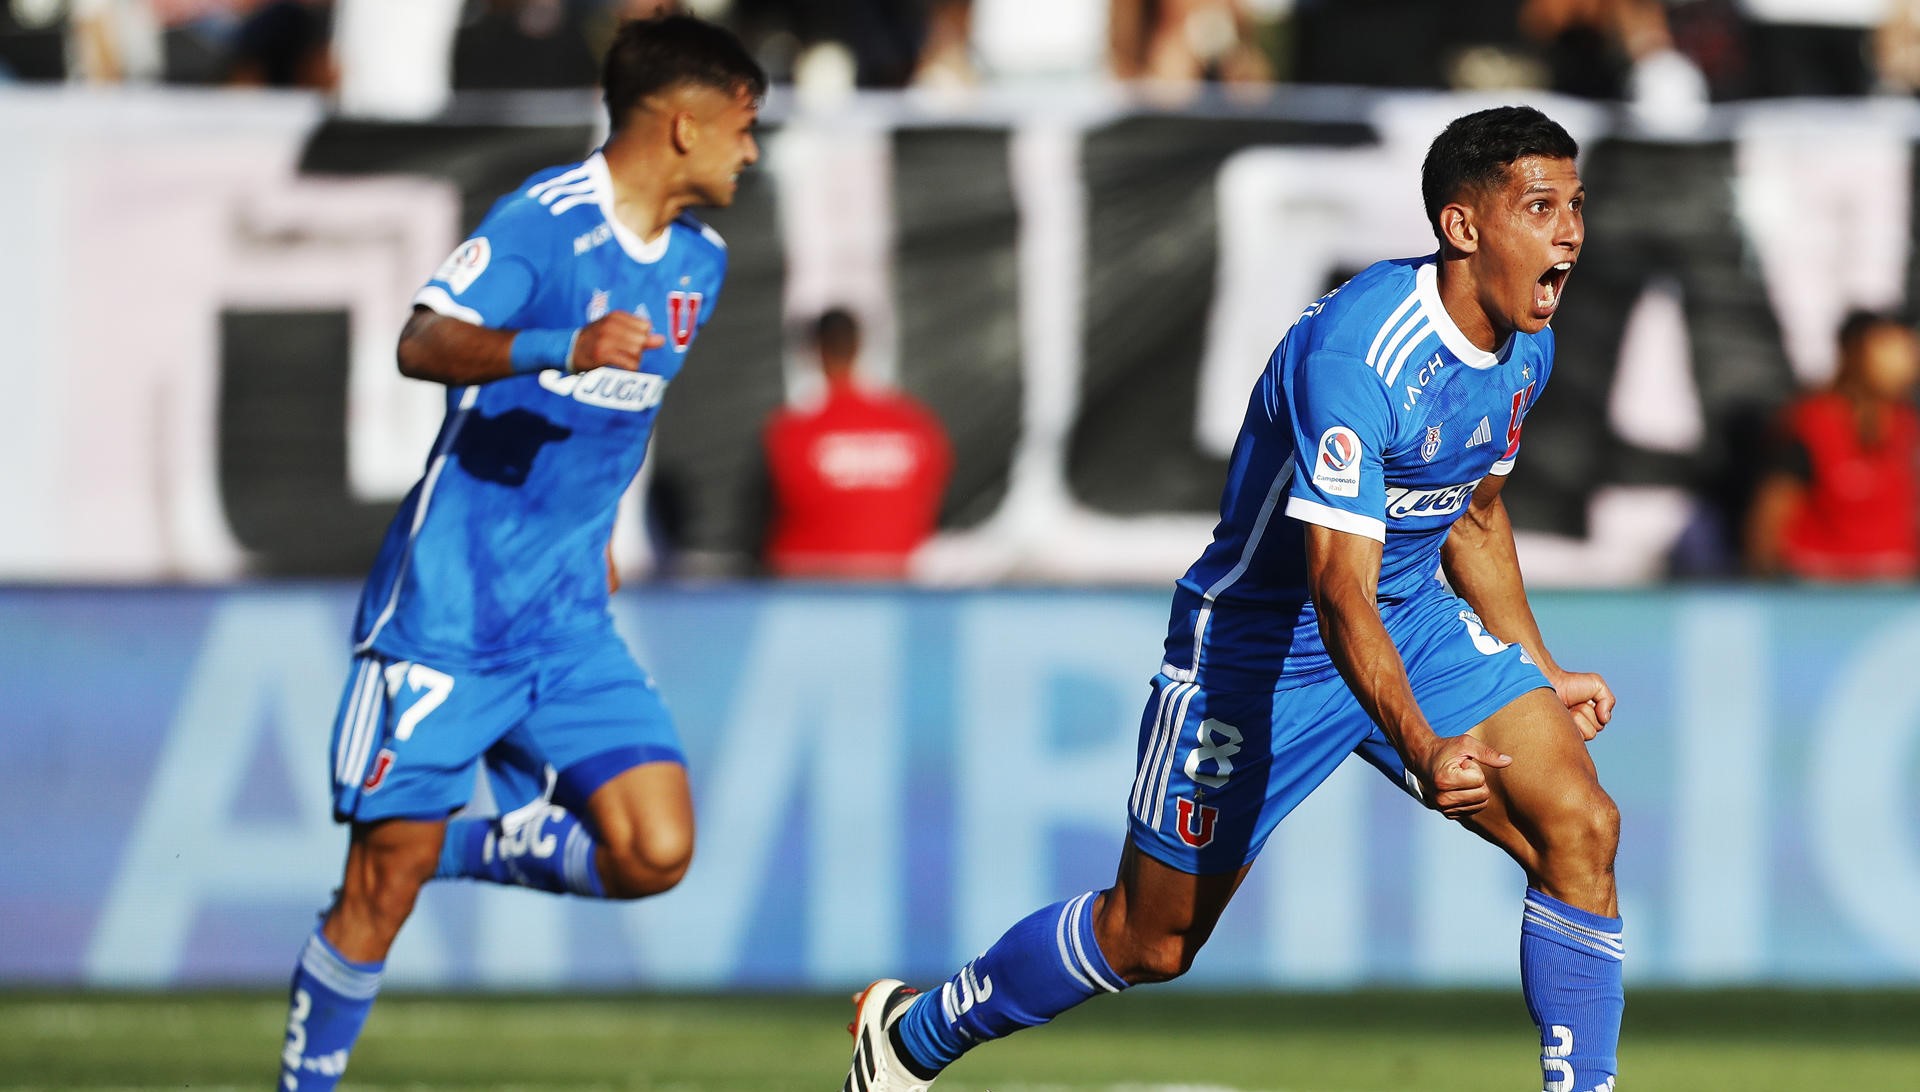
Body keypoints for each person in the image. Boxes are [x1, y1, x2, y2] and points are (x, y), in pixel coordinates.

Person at [841, 105, 1624, 1092]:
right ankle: (911, 1036)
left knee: (1581, 830)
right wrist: (1424, 745)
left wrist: (1540, 668)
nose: (1570, 233)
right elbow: (1337, 593)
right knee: (1151, 939)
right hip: (1264, 649)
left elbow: (1473, 515)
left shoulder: (1525, 343)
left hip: (1414, 623)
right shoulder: (1357, 355)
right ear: (1463, 227)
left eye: (1577, 206)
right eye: (1542, 206)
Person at [276, 16, 763, 1090]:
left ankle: (446, 846)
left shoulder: (699, 263)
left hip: (567, 620)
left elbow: (621, 424)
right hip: (451, 616)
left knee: (655, 850)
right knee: (374, 898)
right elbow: (423, 339)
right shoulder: (543, 224)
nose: (751, 151)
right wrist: (560, 345)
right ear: (682, 125)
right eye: (742, 125)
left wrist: (600, 537)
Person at [761, 308, 953, 579]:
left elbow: (763, 521)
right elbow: (936, 508)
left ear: (816, 351)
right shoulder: (917, 427)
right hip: (897, 590)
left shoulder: (789, 433)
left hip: (809, 593)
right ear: (859, 346)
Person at [1744, 310, 1920, 580]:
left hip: (1895, 593)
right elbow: (1769, 521)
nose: (1902, 362)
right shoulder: (1811, 424)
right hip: (1821, 592)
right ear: (1852, 352)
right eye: (1887, 348)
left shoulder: (1908, 426)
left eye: (1907, 350)